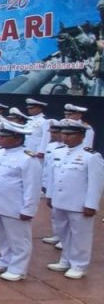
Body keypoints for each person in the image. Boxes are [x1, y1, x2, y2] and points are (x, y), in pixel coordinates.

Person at [0, 121, 42, 281]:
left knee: (19, 239)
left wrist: (28, 209)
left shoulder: (28, 158)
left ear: (17, 139)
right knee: (2, 236)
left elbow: (33, 187)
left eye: (4, 137)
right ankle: (4, 260)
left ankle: (18, 268)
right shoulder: (1, 153)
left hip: (14, 206)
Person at [45, 119, 104, 279]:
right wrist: (50, 195)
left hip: (79, 203)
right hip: (59, 200)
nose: (65, 137)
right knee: (63, 233)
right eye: (64, 133)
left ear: (81, 135)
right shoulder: (58, 152)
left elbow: (95, 183)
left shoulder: (91, 156)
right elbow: (53, 177)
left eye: (70, 134)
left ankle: (79, 265)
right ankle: (65, 260)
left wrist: (91, 204)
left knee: (80, 235)